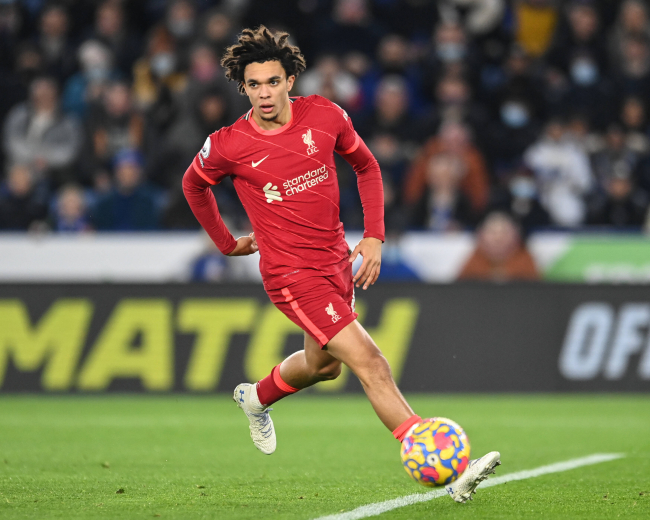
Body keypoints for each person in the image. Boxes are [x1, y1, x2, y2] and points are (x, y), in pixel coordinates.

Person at [182, 25, 500, 503]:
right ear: (243, 88)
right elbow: (193, 185)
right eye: (254, 85)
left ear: (290, 80)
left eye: (273, 81)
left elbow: (367, 166)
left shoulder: (325, 115)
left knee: (324, 366)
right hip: (290, 275)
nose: (264, 93)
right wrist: (227, 244)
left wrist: (373, 235)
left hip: (336, 261)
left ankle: (256, 397)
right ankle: (445, 468)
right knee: (371, 361)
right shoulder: (229, 144)